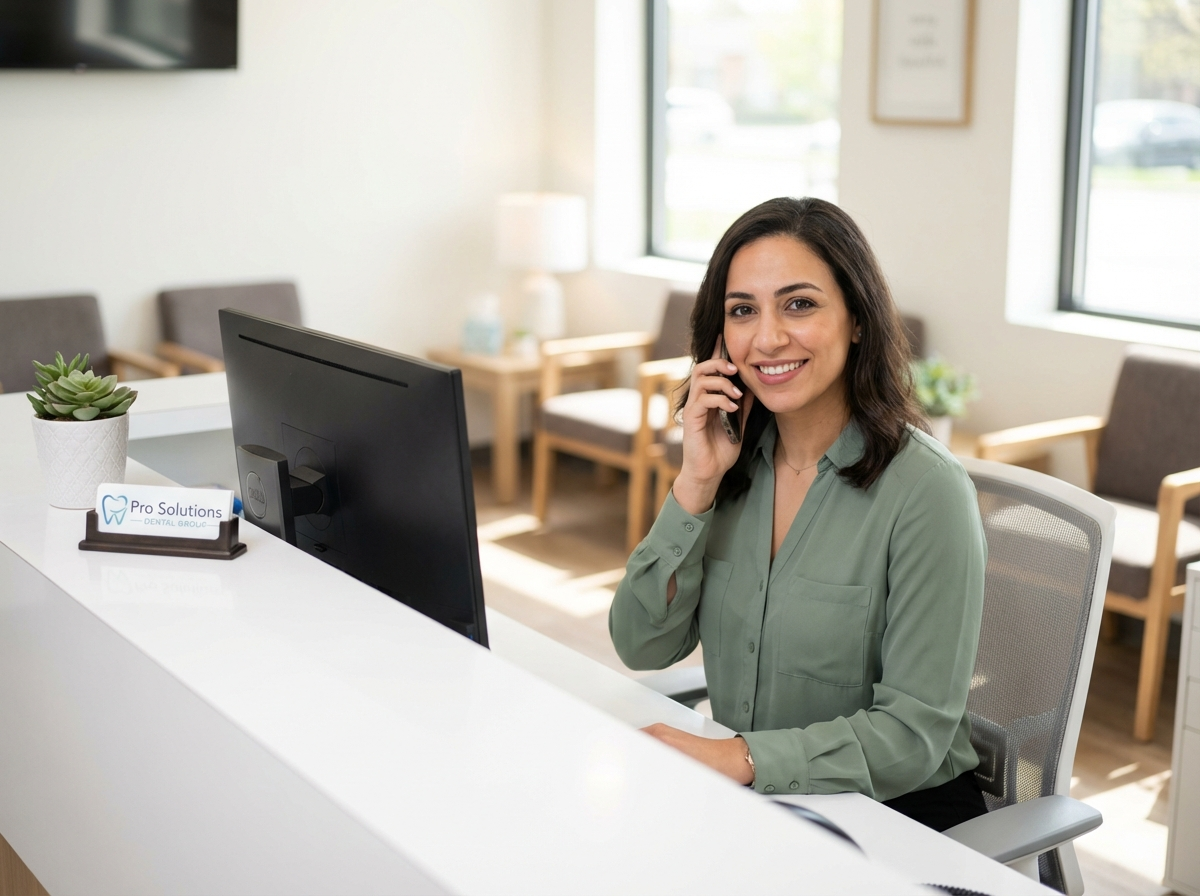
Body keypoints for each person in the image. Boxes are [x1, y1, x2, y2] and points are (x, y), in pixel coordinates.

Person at [609, 197, 988, 832]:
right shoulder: (731, 465)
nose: (768, 338)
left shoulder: (928, 492)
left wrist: (744, 757)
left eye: (800, 304)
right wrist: (696, 481)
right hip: (760, 803)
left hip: (896, 820)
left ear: (857, 319)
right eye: (742, 311)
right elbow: (642, 643)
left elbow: (916, 733)